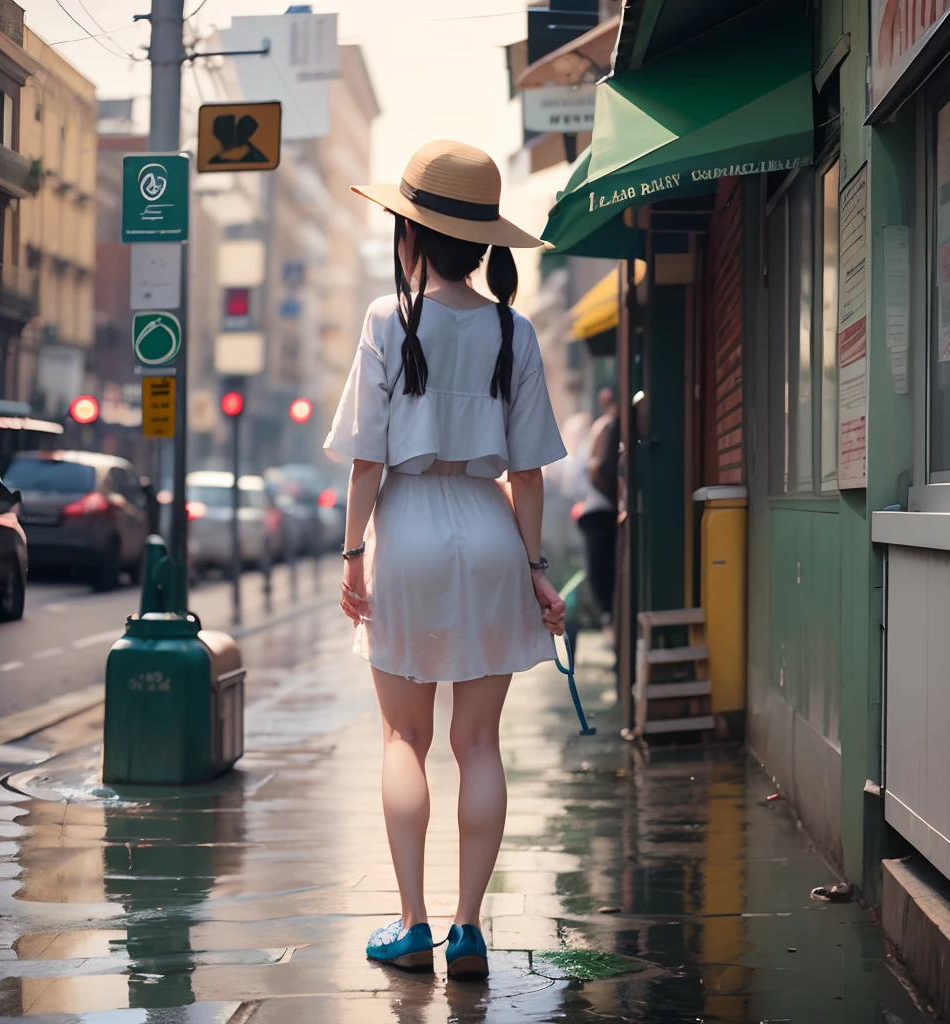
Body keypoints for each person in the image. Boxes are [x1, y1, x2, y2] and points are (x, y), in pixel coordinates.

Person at [324, 140, 567, 981]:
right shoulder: (514, 328)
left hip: (410, 526)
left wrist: (353, 552)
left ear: (413, 236)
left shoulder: (388, 320)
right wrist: (537, 567)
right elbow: (529, 470)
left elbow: (364, 459)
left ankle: (413, 924)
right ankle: (469, 930)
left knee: (404, 735)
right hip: (492, 528)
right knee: (479, 743)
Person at [578, 387, 619, 630]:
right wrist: (615, 499)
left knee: (603, 573)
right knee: (601, 574)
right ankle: (606, 620)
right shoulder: (605, 427)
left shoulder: (608, 426)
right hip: (600, 511)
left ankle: (607, 620)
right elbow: (595, 471)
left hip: (601, 511)